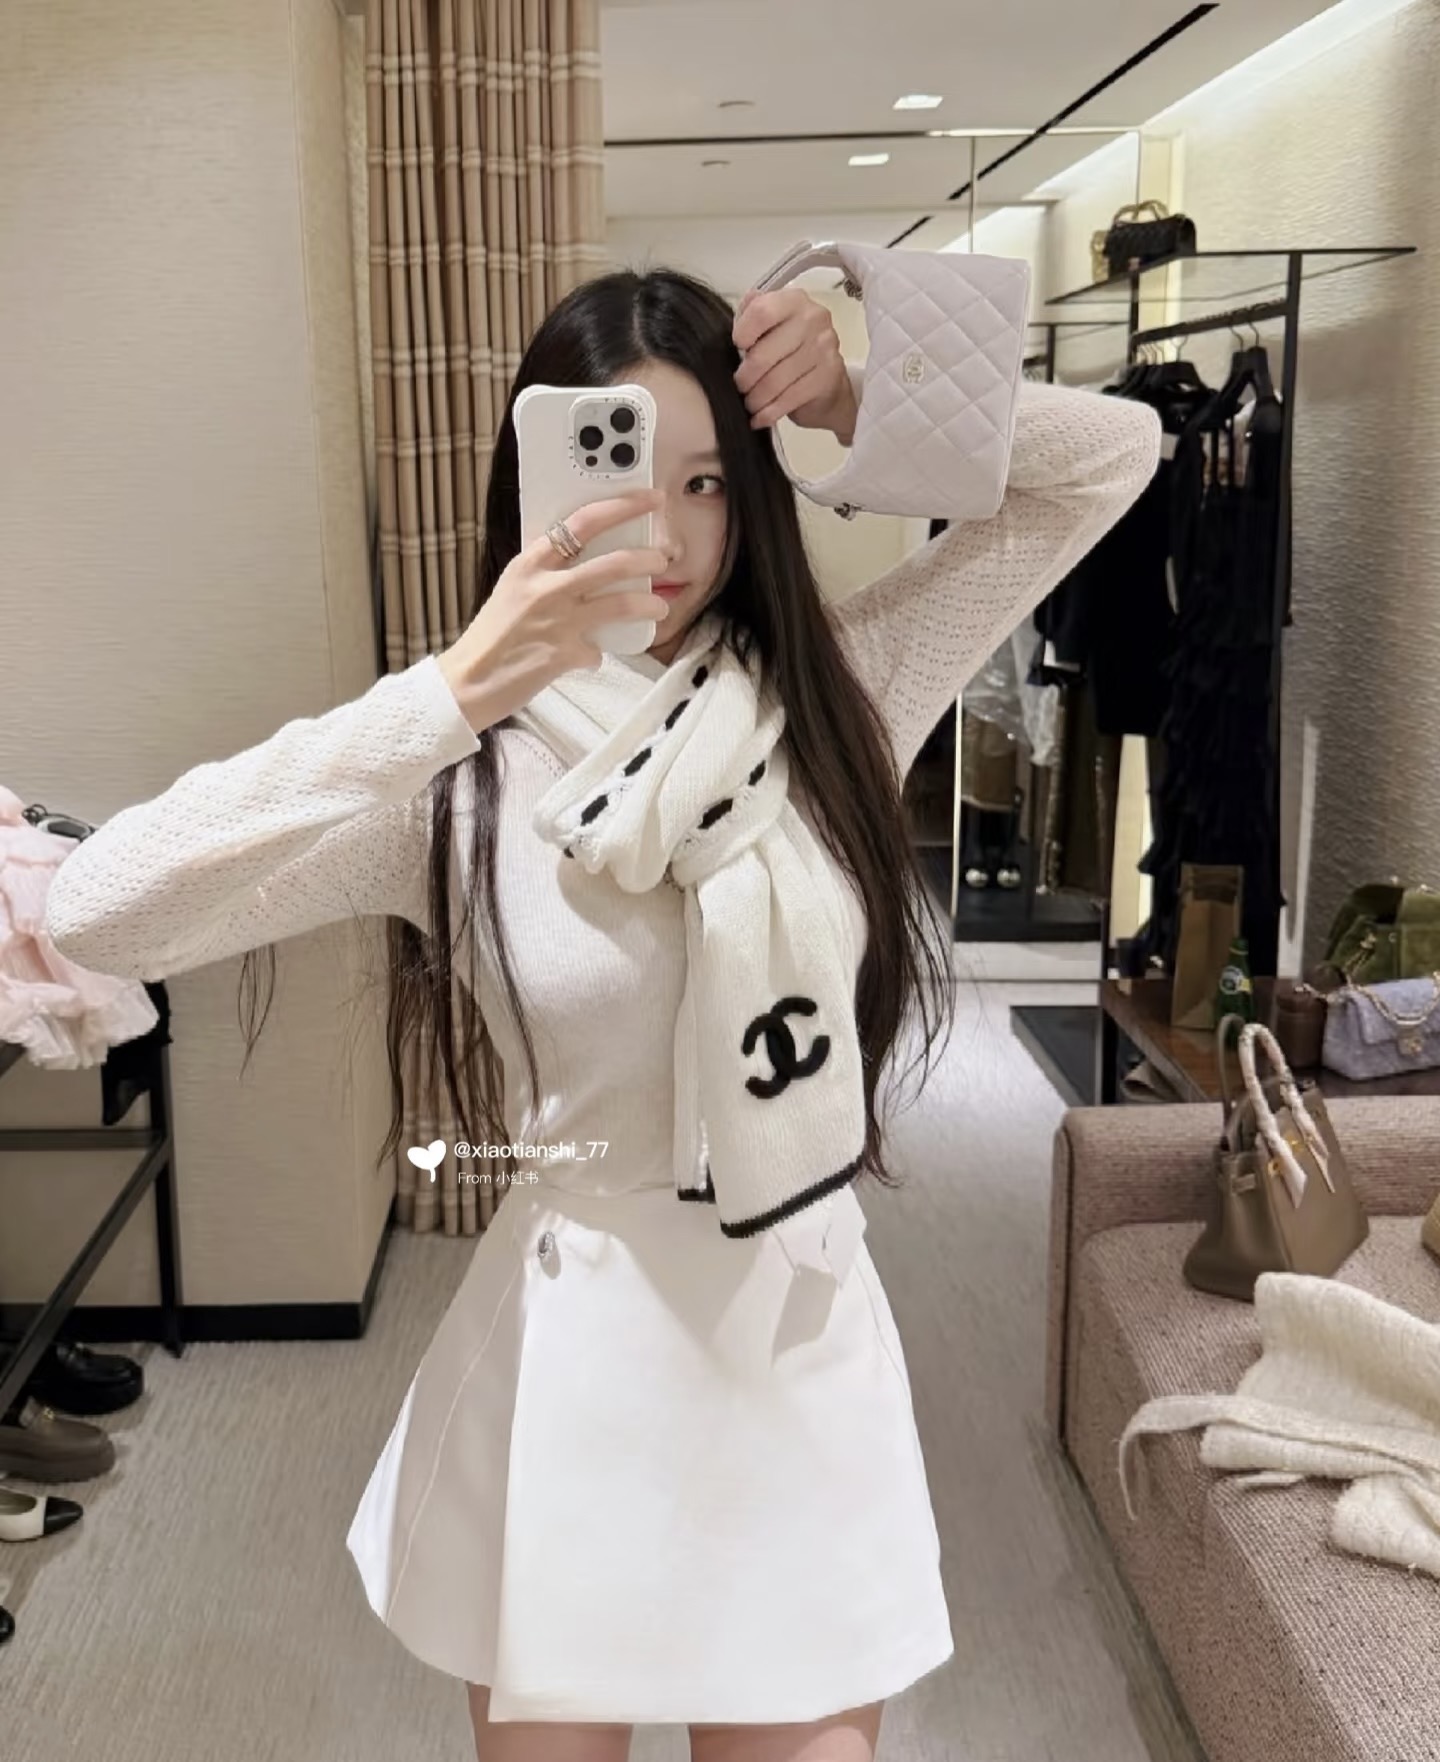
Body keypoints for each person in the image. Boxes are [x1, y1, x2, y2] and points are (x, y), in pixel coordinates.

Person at [43, 263, 1160, 1762]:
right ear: (539, 483)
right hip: (577, 1361)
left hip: (796, 1341)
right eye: (628, 474)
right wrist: (447, 691)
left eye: (709, 481)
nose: (672, 535)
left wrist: (859, 399)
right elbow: (102, 909)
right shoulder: (458, 774)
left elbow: (1116, 457)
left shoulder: (842, 693)